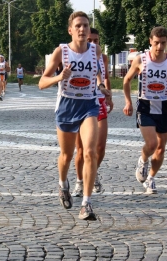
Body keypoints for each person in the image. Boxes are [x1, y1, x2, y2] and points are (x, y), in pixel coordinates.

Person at [38, 11, 111, 220]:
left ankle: (86, 203)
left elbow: (97, 71)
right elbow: (42, 82)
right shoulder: (61, 52)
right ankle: (63, 184)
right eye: (78, 26)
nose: (82, 29)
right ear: (70, 30)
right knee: (67, 156)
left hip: (89, 104)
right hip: (67, 106)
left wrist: (101, 86)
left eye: (85, 26)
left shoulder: (95, 49)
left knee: (89, 152)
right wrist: (60, 76)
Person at [123, 26, 167, 194]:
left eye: (163, 43)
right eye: (156, 43)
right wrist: (128, 102)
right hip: (145, 105)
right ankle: (143, 160)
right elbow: (127, 80)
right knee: (152, 144)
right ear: (150, 41)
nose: (159, 47)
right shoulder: (140, 60)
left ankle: (151, 178)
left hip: (163, 106)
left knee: (161, 148)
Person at [72, 27, 114, 197]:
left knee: (100, 147)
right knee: (81, 150)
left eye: (96, 41)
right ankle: (80, 181)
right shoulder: (75, 55)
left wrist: (108, 95)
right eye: (90, 40)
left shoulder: (103, 58)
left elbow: (104, 78)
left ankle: (93, 172)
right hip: (80, 102)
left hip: (99, 101)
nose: (93, 44)